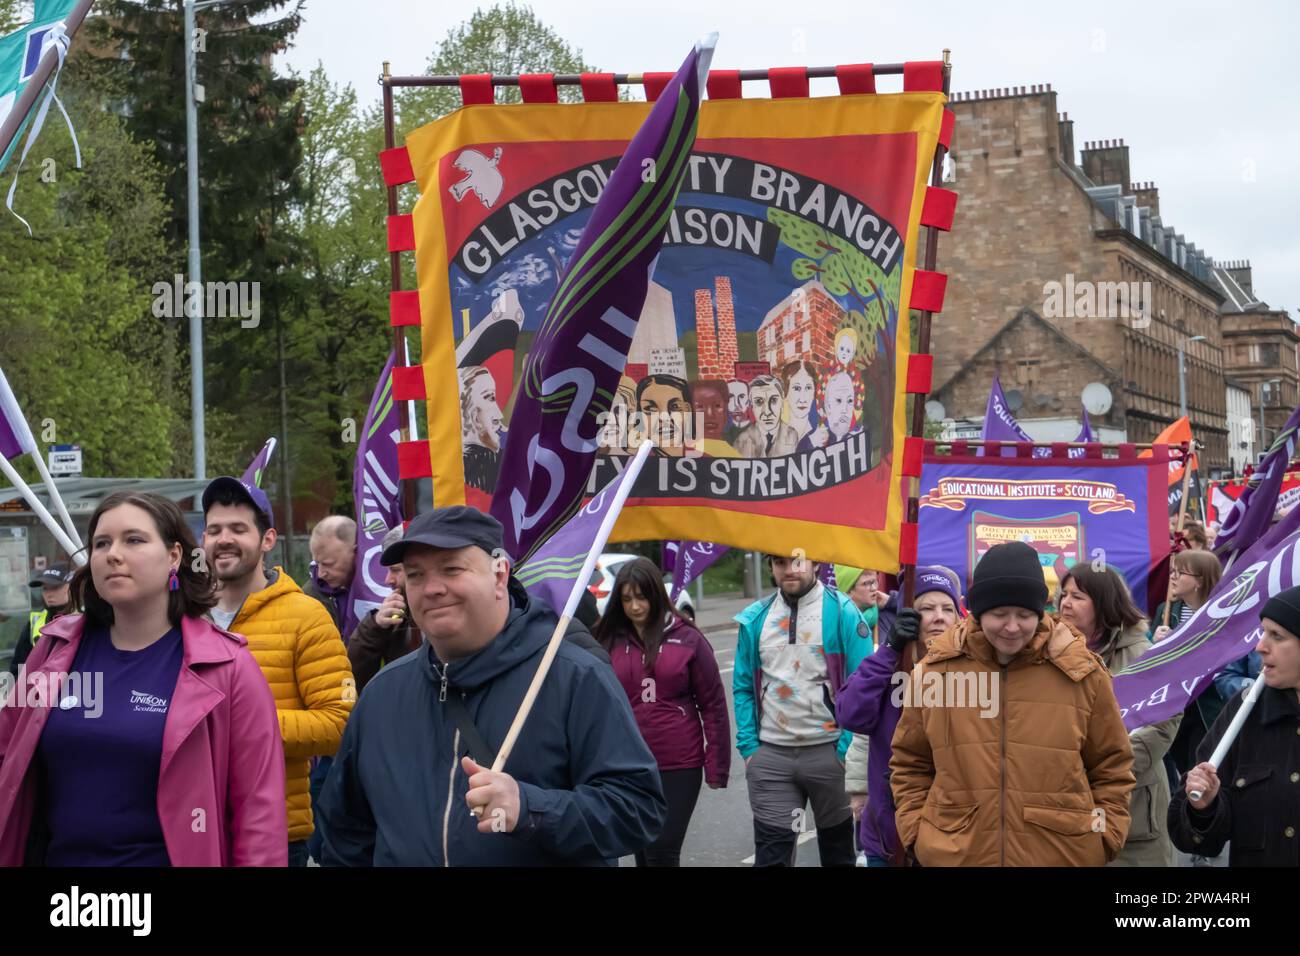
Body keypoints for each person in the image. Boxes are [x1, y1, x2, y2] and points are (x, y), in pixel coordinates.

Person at [318, 506, 667, 866]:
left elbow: (637, 809)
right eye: (416, 575)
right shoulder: (382, 695)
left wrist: (532, 809)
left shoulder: (575, 677)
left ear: (499, 575)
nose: (432, 589)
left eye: (452, 569)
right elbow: (346, 832)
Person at [0, 492, 286, 866]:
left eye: (133, 540)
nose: (112, 554)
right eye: (102, 543)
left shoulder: (228, 667)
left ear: (174, 556)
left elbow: (258, 814)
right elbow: (7, 755)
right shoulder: (53, 650)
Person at [890, 541, 1135, 866]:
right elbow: (911, 763)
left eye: (1023, 614)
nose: (1011, 627)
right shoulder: (935, 673)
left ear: (1040, 612)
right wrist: (918, 834)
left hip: (1061, 856)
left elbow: (1111, 766)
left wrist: (1104, 838)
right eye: (999, 614)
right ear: (977, 613)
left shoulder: (1083, 673)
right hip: (957, 856)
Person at [202, 476, 354, 867]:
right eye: (214, 530)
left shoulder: (306, 616)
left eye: (238, 529)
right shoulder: (180, 617)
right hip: (187, 833)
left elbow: (341, 724)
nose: (224, 539)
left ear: (268, 539)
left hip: (273, 837)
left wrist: (242, 727)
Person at [733, 551, 873, 866]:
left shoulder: (844, 613)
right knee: (772, 856)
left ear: (816, 563)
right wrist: (749, 747)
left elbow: (863, 688)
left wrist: (845, 751)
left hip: (831, 755)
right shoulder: (756, 618)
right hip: (771, 758)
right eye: (780, 562)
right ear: (771, 566)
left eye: (798, 561)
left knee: (838, 855)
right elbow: (743, 686)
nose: (790, 569)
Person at [594, 557, 730, 866]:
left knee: (662, 850)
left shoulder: (688, 638)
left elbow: (713, 704)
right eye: (627, 599)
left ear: (656, 595)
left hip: (679, 764)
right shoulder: (607, 640)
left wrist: (717, 765)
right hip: (627, 763)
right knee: (643, 850)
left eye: (641, 597)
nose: (635, 606)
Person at [837, 566, 964, 866]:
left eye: (948, 608)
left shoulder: (973, 672)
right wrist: (890, 650)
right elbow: (851, 713)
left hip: (952, 836)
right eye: (927, 608)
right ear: (909, 617)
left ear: (959, 619)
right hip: (887, 835)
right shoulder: (888, 665)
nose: (938, 616)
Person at [1168, 584, 1300, 866]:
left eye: (1277, 636)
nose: (1260, 646)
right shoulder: (1245, 711)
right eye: (1264, 632)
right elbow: (1197, 833)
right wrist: (1205, 808)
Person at [1058, 563, 1179, 866]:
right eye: (1064, 594)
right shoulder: (1052, 652)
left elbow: (1163, 724)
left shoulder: (1141, 654)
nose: (1065, 603)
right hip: (1066, 809)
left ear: (1103, 602)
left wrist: (1107, 769)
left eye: (1077, 596)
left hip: (1131, 812)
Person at [346, 525, 422, 695]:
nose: (388, 580)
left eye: (395, 570)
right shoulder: (395, 616)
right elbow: (352, 679)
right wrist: (374, 626)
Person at [7, 563, 76, 678]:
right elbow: (19, 666)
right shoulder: (36, 621)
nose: (48, 594)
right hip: (40, 691)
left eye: (55, 587)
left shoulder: (86, 618)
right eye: (45, 588)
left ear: (72, 586)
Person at [307, 514, 358, 634]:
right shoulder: (310, 598)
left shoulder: (380, 588)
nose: (320, 574)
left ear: (356, 552)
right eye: (317, 563)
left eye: (328, 564)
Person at [460, 364, 505, 490]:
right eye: (490, 398)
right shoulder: (500, 468)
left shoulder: (453, 474)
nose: (499, 415)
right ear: (475, 419)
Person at [734, 375, 798, 458]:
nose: (767, 412)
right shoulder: (742, 440)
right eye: (759, 402)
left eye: (774, 400)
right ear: (751, 406)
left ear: (782, 403)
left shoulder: (792, 435)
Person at [636, 374, 693, 456]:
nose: (664, 417)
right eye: (650, 409)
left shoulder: (705, 459)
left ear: (688, 411)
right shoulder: (634, 463)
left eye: (674, 406)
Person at [779, 360, 819, 443]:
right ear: (785, 393)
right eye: (796, 388)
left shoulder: (818, 435)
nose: (802, 399)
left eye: (808, 388)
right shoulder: (778, 437)